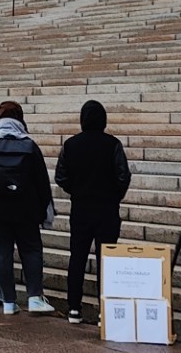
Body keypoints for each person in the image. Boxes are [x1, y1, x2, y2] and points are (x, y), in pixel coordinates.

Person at [0, 101, 54, 316]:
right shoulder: (29, 145)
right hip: (26, 209)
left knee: (2, 254)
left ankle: (8, 301)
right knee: (31, 250)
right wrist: (47, 209)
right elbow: (42, 182)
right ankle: (35, 297)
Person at [55, 100, 132, 324]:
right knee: (106, 260)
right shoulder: (113, 144)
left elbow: (61, 177)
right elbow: (123, 175)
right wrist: (114, 195)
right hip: (107, 209)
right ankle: (104, 310)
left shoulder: (71, 144)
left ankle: (74, 308)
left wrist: (76, 190)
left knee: (77, 257)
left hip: (81, 208)